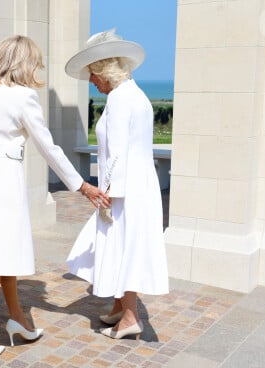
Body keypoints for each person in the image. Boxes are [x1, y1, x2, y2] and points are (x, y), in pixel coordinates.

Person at [0, 35, 109, 361]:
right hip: (4, 185)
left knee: (1, 253)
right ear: (22, 64)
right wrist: (81, 185)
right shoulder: (23, 97)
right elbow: (48, 148)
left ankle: (18, 320)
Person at [64, 29, 169, 340]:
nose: (92, 83)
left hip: (125, 189)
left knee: (125, 247)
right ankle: (120, 305)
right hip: (137, 185)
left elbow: (119, 151)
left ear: (103, 71)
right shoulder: (134, 94)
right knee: (124, 245)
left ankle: (131, 317)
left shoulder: (122, 98)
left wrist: (107, 192)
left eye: (92, 76)